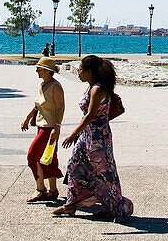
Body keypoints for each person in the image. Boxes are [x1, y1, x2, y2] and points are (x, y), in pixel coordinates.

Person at [54, 55, 134, 221]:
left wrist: (73, 133)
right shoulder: (91, 87)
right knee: (75, 166)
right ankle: (71, 205)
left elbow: (90, 114)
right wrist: (80, 133)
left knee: (103, 173)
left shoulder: (97, 88)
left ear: (89, 72)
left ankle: (115, 207)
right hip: (88, 134)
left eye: (81, 70)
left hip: (98, 139)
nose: (78, 73)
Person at [21, 57, 65, 202]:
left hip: (49, 128)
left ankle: (40, 189)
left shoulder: (55, 86)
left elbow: (60, 107)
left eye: (39, 69)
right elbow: (37, 105)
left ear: (47, 71)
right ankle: (52, 190)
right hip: (41, 125)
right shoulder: (43, 85)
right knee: (48, 158)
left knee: (33, 156)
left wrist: (57, 127)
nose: (37, 71)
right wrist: (27, 118)